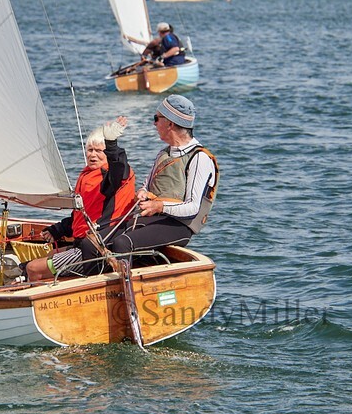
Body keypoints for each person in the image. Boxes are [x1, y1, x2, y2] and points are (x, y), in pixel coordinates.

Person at [79, 95, 218, 272]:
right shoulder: (163, 154)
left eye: (156, 118)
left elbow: (193, 208)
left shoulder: (200, 158)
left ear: (170, 124)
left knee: (123, 243)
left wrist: (159, 206)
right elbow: (147, 185)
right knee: (90, 242)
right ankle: (94, 289)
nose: (154, 124)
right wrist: (143, 192)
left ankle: (125, 294)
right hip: (152, 218)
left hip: (179, 225)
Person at [20, 117, 136, 281]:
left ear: (107, 153)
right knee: (43, 258)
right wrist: (59, 229)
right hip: (82, 243)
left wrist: (112, 144)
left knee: (33, 268)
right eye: (90, 150)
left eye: (99, 150)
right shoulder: (88, 175)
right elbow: (85, 215)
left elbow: (118, 168)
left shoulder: (113, 176)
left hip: (99, 250)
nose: (93, 155)